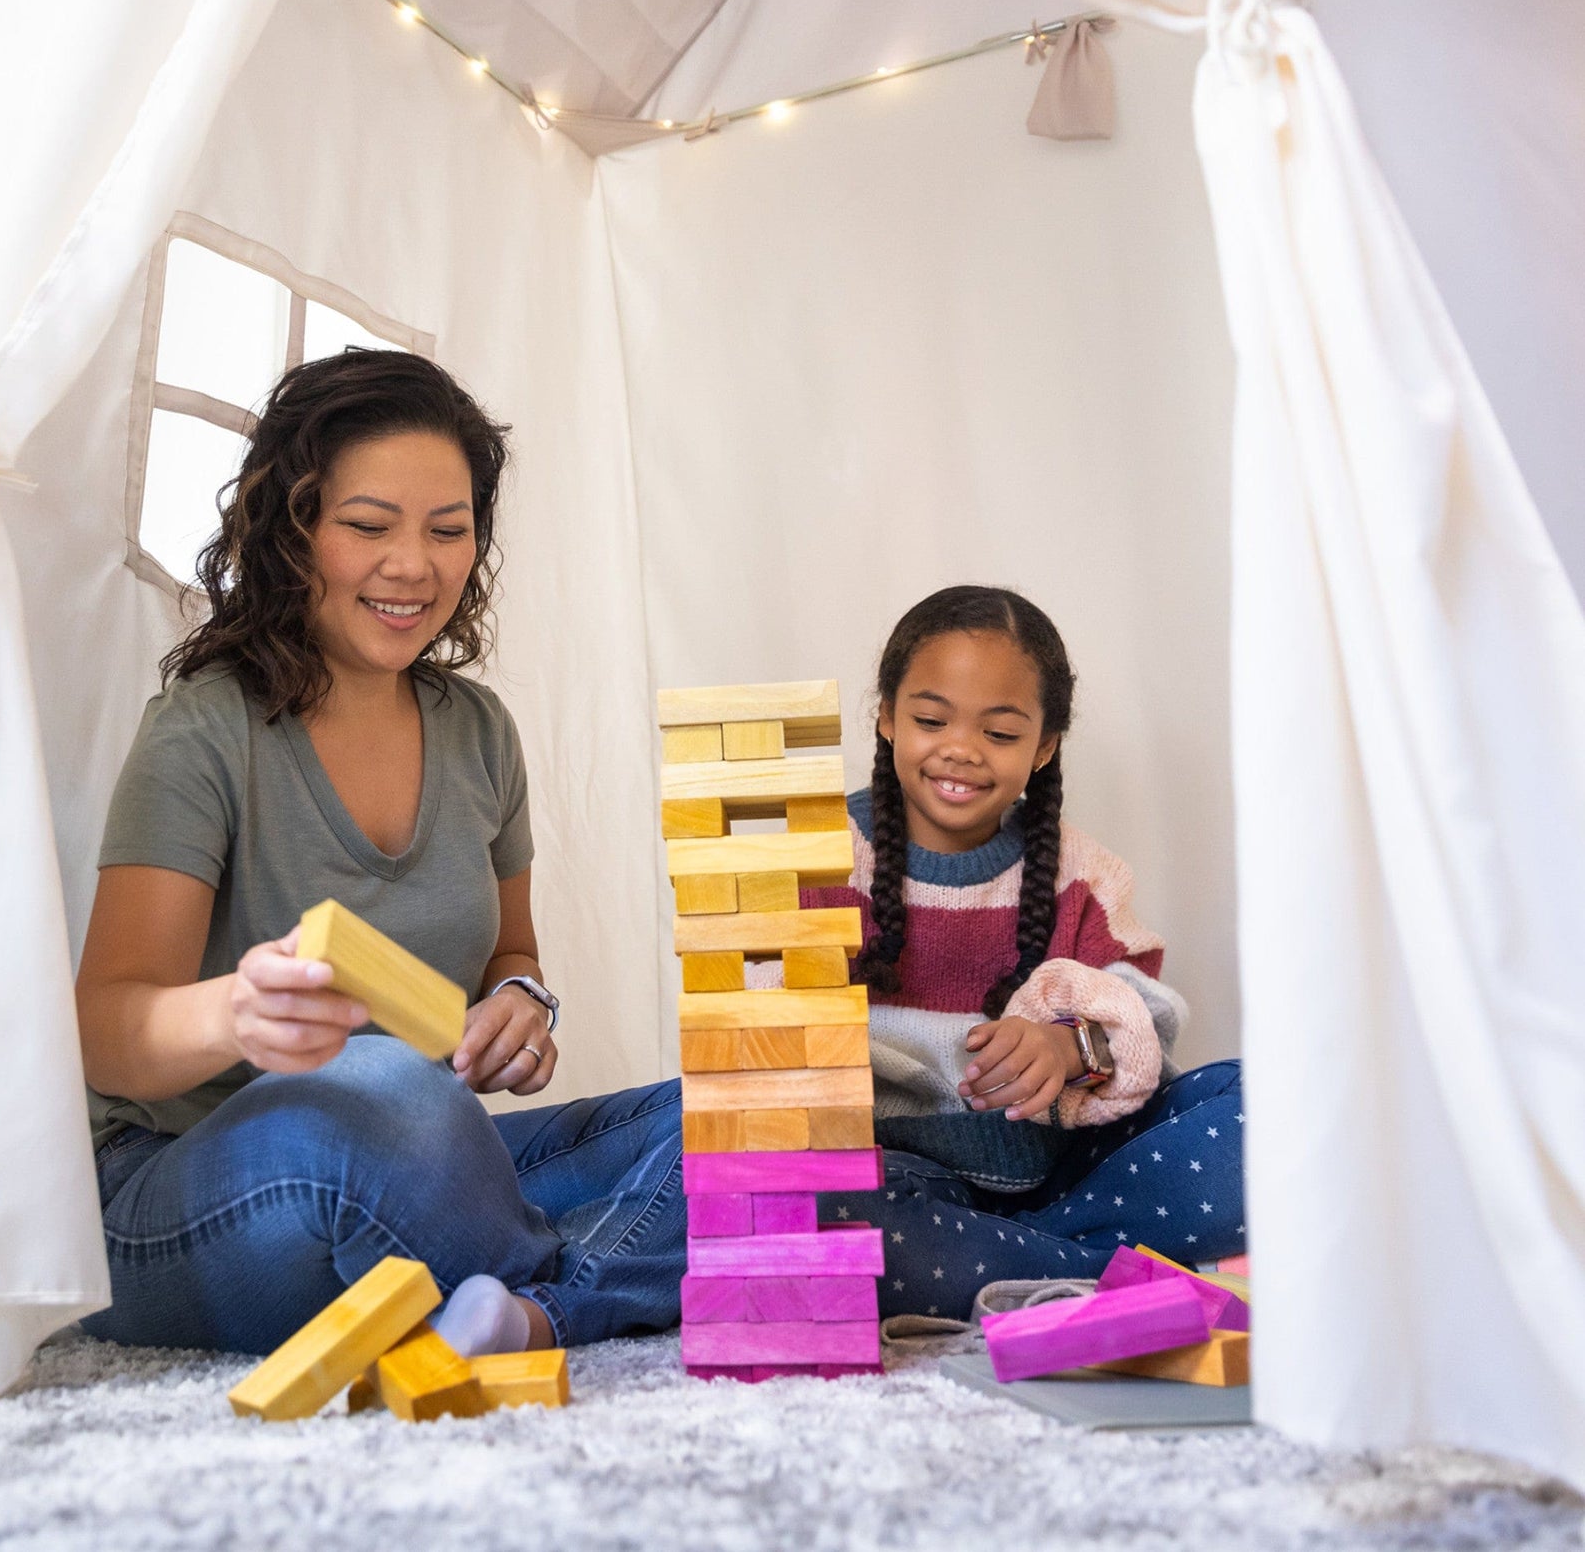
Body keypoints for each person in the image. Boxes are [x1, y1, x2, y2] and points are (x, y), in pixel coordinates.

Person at [76, 349, 683, 1358]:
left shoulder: (478, 731)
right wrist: (236, 1010)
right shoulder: (203, 729)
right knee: (386, 1086)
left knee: (728, 1116)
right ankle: (590, 1272)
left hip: (422, 1155)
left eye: (448, 530)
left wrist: (523, 1002)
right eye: (367, 525)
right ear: (291, 531)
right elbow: (107, 1027)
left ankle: (523, 1301)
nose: (414, 564)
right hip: (184, 1190)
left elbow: (510, 956)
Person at [805, 586, 1244, 1318]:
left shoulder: (1086, 875)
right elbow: (769, 1030)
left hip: (1065, 1171)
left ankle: (1013, 1261)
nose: (961, 750)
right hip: (897, 1175)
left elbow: (1150, 1011)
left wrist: (1071, 1047)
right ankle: (1097, 1268)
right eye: (929, 719)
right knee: (818, 1215)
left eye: (1001, 735)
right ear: (885, 717)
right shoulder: (823, 859)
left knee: (1262, 1110)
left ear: (1044, 747)